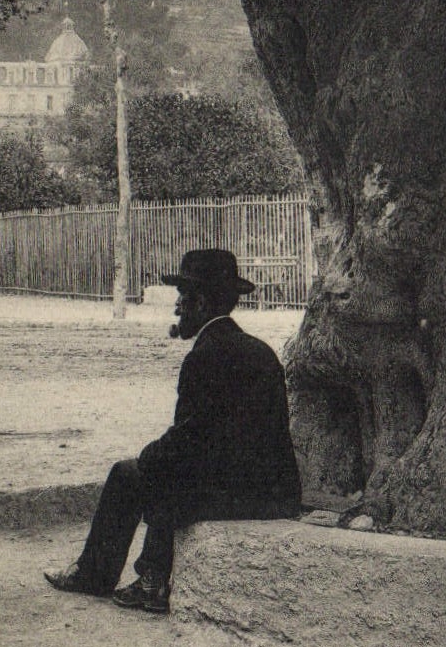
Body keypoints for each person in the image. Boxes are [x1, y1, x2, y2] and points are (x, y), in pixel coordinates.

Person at [45, 248, 301, 614]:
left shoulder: (203, 357)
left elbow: (188, 440)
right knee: (167, 471)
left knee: (131, 473)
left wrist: (149, 456)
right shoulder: (261, 352)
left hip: (241, 493)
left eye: (182, 298)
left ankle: (113, 578)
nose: (177, 308)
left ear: (200, 303)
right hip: (274, 488)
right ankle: (147, 575)